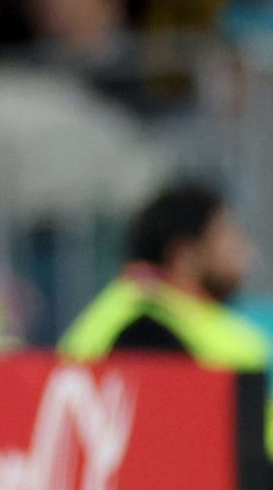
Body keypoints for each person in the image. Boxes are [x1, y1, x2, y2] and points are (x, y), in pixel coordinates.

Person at [61, 180, 272, 450]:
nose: (245, 252)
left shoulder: (162, 312)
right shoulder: (146, 329)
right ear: (184, 255)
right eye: (227, 237)